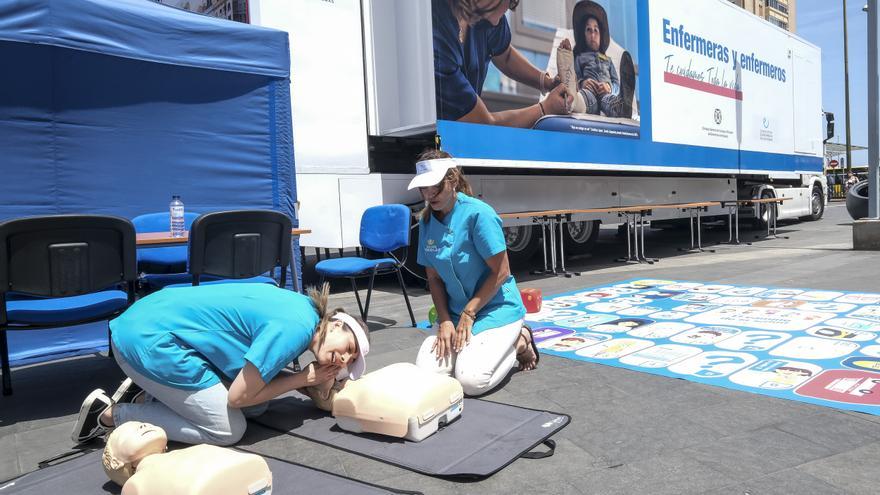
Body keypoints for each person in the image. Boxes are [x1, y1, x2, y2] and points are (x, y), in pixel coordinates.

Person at [71, 283, 370, 446]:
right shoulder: (294, 329)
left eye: (349, 361)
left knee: (257, 406)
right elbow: (237, 396)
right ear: (335, 324)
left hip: (152, 319)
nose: (343, 359)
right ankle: (111, 414)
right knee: (228, 429)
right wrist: (301, 379)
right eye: (348, 349)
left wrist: (310, 383)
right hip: (147, 341)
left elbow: (257, 385)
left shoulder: (303, 310)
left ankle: (149, 394)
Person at [409, 149, 539, 397]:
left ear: (453, 179)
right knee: (427, 373)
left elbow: (501, 272)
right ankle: (470, 350)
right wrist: (445, 320)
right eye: (422, 189)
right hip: (457, 314)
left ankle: (520, 340)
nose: (428, 195)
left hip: (494, 309)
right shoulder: (426, 222)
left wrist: (470, 313)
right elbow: (434, 278)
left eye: (434, 186)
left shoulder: (479, 214)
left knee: (471, 382)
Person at [434, 0, 571, 127]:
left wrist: (546, 82)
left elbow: (505, 55)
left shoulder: (483, 11)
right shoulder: (437, 39)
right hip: (440, 142)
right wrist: (545, 109)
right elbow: (482, 124)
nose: (497, 23)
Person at [102, 421, 272, 495]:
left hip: (243, 472)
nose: (143, 425)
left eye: (142, 423)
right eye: (133, 430)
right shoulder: (136, 484)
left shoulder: (188, 452)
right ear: (116, 462)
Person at [557, 0, 635, 118]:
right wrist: (583, 83)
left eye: (596, 30)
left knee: (611, 101)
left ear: (601, 35)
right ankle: (573, 100)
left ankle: (622, 108)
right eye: (588, 30)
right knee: (584, 97)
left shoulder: (608, 60)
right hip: (589, 93)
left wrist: (609, 88)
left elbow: (616, 83)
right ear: (583, 34)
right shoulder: (579, 57)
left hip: (606, 95)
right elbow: (575, 77)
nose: (592, 35)